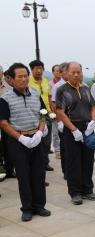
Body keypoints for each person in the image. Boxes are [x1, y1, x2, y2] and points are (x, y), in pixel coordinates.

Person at [0, 63, 51, 222]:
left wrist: (40, 131)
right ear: (12, 80)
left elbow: (43, 114)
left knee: (38, 173)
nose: (23, 79)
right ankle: (27, 208)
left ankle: (39, 205)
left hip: (36, 138)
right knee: (24, 175)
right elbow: (3, 122)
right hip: (18, 141)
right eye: (19, 76)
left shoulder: (35, 93)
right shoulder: (5, 99)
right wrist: (21, 138)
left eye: (25, 76)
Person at [56, 62, 95, 205]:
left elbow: (92, 106)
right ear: (67, 73)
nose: (76, 75)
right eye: (73, 72)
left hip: (87, 128)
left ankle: (87, 189)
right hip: (72, 128)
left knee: (88, 160)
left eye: (78, 72)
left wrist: (93, 120)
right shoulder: (62, 90)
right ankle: (75, 192)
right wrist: (74, 129)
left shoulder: (86, 89)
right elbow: (60, 112)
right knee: (73, 161)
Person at [28, 60, 54, 173]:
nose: (39, 71)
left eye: (41, 68)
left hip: (46, 113)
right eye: (36, 68)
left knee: (47, 140)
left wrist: (52, 112)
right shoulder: (27, 81)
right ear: (31, 69)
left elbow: (48, 97)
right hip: (34, 114)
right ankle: (37, 164)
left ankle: (45, 162)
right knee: (37, 140)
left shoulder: (45, 80)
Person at [52, 62, 68, 179]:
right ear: (62, 73)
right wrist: (59, 122)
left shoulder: (80, 85)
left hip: (76, 121)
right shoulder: (57, 87)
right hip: (63, 120)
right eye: (68, 71)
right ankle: (66, 171)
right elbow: (54, 105)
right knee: (65, 147)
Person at [49, 64, 61, 159]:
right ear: (53, 72)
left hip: (63, 112)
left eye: (59, 70)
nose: (58, 72)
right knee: (55, 132)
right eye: (56, 70)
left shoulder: (64, 83)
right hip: (53, 111)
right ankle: (57, 150)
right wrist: (53, 112)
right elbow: (50, 99)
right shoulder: (50, 84)